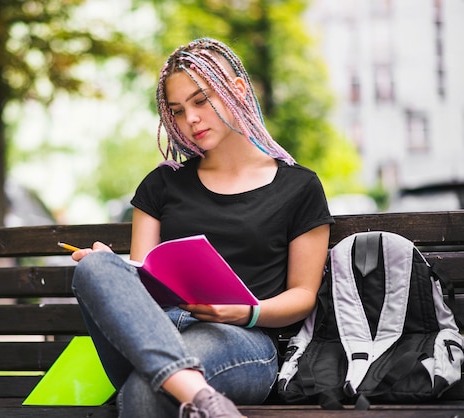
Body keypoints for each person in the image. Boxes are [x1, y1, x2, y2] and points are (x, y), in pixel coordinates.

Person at [70, 38, 334, 418]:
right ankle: (202, 399)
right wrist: (118, 271)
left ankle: (192, 392)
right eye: (177, 111)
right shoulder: (161, 185)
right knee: (93, 266)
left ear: (238, 90)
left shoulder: (299, 187)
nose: (190, 119)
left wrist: (244, 311)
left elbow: (303, 295)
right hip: (154, 329)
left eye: (201, 100)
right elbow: (146, 280)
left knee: (146, 391)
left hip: (244, 341)